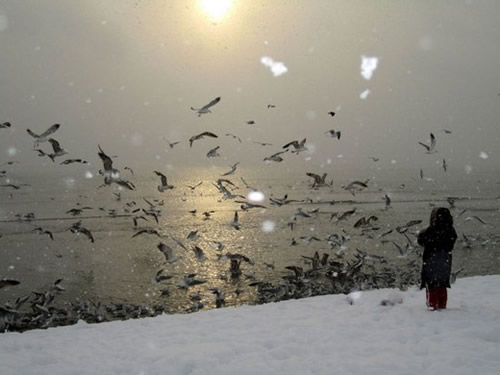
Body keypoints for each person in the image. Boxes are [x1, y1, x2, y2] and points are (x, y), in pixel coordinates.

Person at [417, 207, 457, 310]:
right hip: (445, 262)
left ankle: (433, 306)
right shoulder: (450, 230)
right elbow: (451, 242)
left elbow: (421, 241)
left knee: (432, 284)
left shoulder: (431, 230)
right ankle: (442, 305)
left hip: (431, 261)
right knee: (442, 283)